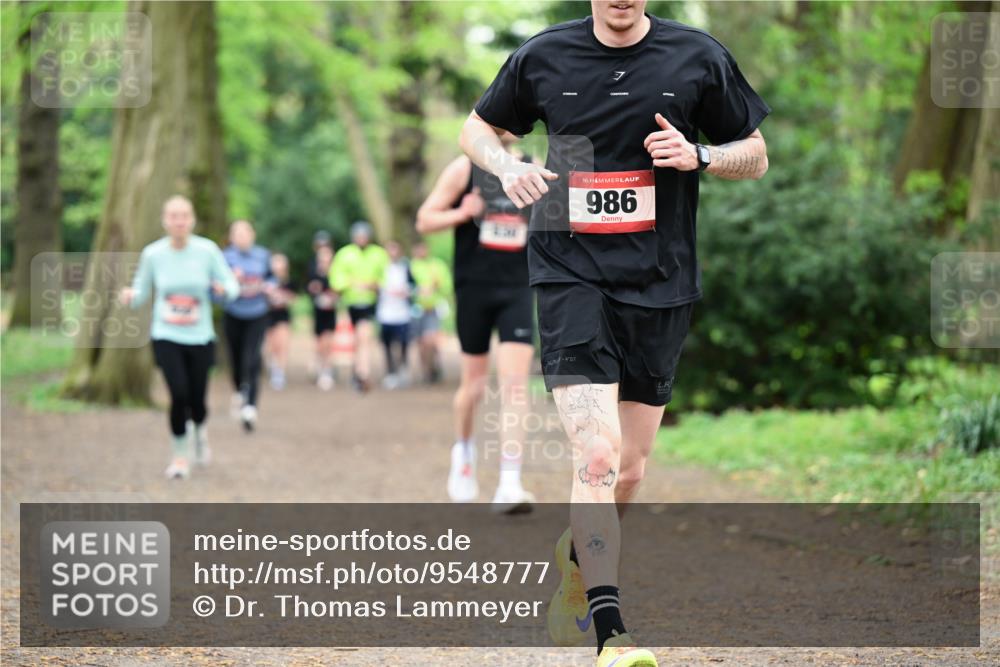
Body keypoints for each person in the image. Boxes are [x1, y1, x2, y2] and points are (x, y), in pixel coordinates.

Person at [459, 1, 770, 664]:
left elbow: (757, 154)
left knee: (629, 466)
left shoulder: (698, 57)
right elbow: (478, 129)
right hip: (569, 269)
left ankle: (577, 557)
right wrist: (507, 166)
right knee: (595, 455)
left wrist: (700, 154)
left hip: (660, 280)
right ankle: (611, 633)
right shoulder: (545, 57)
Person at [416, 135, 537, 514]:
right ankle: (464, 453)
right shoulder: (465, 168)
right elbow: (424, 219)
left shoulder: (531, 169)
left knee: (515, 387)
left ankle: (509, 483)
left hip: (518, 288)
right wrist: (462, 212)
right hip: (474, 289)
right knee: (474, 389)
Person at [120, 195, 239, 479]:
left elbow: (231, 285)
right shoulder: (153, 254)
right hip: (166, 334)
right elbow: (142, 291)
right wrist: (130, 296)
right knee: (178, 394)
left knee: (197, 400)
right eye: (173, 216)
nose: (179, 221)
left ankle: (200, 431)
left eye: (184, 215)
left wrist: (224, 291)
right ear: (164, 220)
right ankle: (179, 456)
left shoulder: (207, 251)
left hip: (200, 336)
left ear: (192, 220)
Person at [222, 220, 272, 432]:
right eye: (237, 233)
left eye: (245, 233)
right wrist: (229, 282)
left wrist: (270, 286)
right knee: (235, 359)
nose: (242, 237)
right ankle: (239, 390)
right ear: (232, 237)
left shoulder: (263, 255)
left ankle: (250, 407)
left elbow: (273, 278)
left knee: (251, 359)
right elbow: (215, 284)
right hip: (233, 313)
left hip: (257, 313)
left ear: (253, 235)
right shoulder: (224, 257)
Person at [330, 221, 389, 393]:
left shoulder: (378, 254)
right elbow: (336, 279)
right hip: (351, 303)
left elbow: (386, 277)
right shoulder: (345, 254)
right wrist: (352, 284)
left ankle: (363, 373)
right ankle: (358, 371)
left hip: (370, 303)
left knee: (364, 336)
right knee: (356, 339)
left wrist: (374, 285)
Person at [409, 240, 452, 383]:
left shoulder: (437, 265)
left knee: (430, 340)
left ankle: (434, 366)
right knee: (420, 343)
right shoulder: (410, 266)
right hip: (416, 310)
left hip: (432, 309)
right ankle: (426, 370)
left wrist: (436, 285)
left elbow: (447, 286)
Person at [376, 240, 415, 389]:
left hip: (402, 313)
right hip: (385, 313)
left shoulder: (405, 267)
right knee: (387, 345)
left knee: (403, 343)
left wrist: (407, 291)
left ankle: (403, 369)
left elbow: (413, 285)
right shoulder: (380, 268)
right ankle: (390, 372)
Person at [306, 232, 338, 390]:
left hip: (331, 310)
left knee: (328, 340)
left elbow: (338, 289)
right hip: (318, 310)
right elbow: (310, 288)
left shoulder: (336, 271)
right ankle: (320, 366)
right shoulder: (312, 268)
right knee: (320, 341)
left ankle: (326, 369)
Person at [265, 252, 296, 390]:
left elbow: (293, 299)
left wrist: (283, 298)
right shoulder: (266, 280)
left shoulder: (289, 282)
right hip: (268, 315)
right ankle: (273, 365)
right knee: (272, 345)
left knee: (282, 344)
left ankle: (280, 372)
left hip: (283, 316)